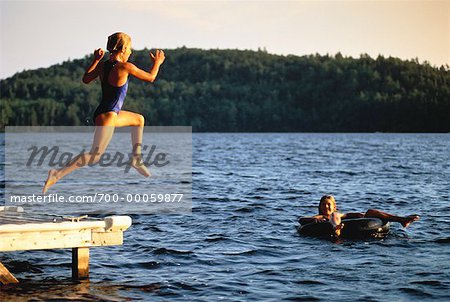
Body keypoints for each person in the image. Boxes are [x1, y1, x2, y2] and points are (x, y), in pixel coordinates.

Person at [43, 32, 165, 193]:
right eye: (130, 49)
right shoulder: (125, 67)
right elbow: (150, 77)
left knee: (139, 120)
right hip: (108, 116)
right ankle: (56, 174)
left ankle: (136, 159)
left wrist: (96, 60)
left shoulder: (103, 65)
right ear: (123, 49)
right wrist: (157, 63)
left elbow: (86, 79)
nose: (131, 52)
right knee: (95, 155)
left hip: (107, 113)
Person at [298, 195, 420, 236]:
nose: (326, 207)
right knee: (334, 216)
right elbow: (302, 220)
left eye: (329, 205)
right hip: (333, 224)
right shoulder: (319, 217)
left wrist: (363, 215)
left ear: (334, 206)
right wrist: (318, 219)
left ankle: (401, 220)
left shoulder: (340, 213)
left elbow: (354, 215)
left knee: (371, 211)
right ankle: (337, 229)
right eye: (323, 205)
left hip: (345, 219)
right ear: (319, 207)